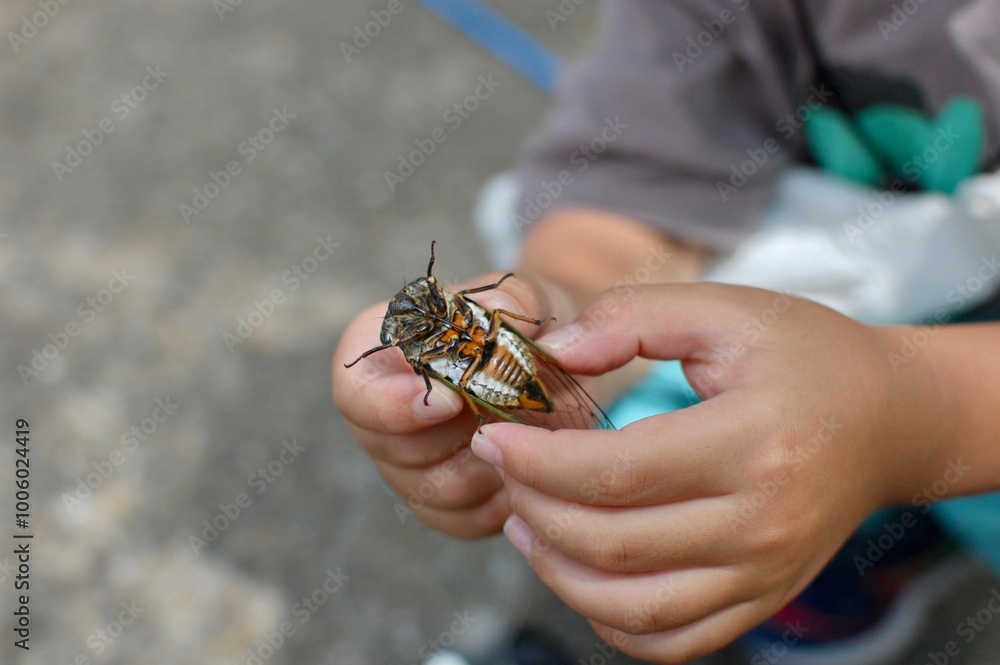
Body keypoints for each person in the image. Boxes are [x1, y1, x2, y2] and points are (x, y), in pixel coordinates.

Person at [333, 1, 1000, 662]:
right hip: (830, 329)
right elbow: (634, 178)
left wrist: (908, 419)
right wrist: (558, 300)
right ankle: (842, 532)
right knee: (635, 435)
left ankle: (870, 508)